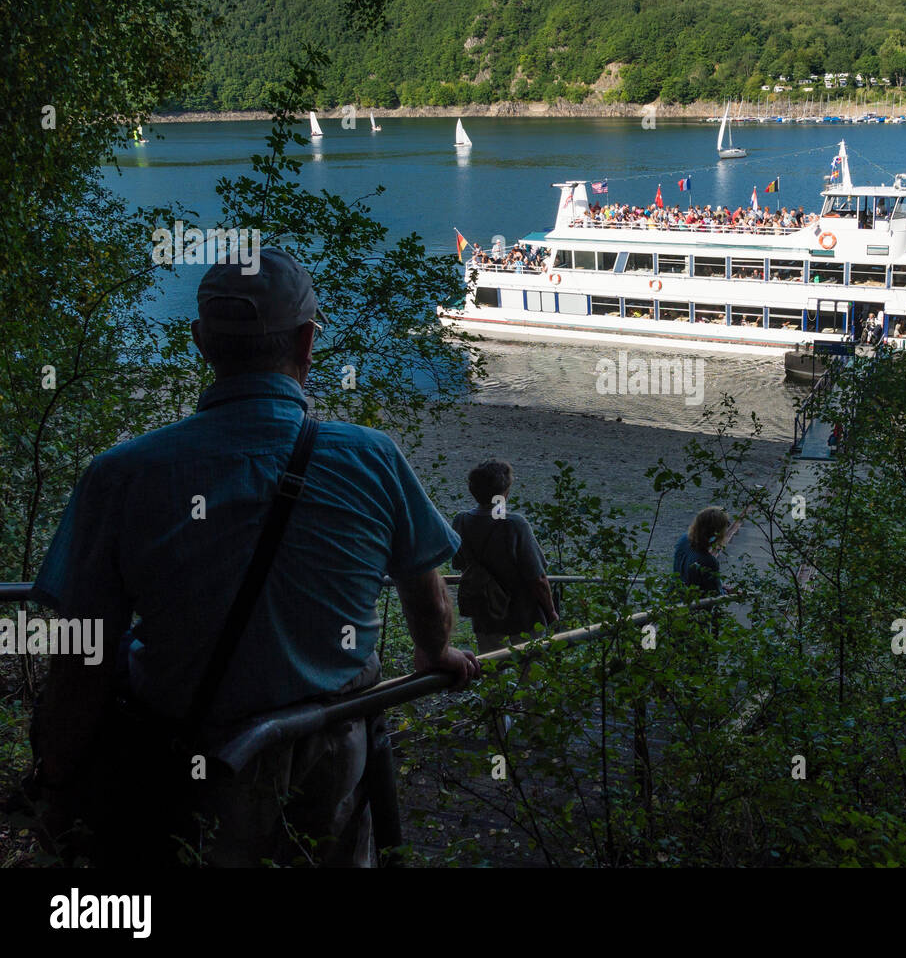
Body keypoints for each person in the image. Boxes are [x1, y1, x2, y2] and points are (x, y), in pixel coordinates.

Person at [28, 248, 480, 868]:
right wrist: (436, 656)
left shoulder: (121, 475)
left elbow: (84, 656)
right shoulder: (371, 457)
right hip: (332, 740)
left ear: (200, 344)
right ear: (306, 342)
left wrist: (57, 785)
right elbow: (426, 597)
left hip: (188, 753)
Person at [451, 460, 557, 660]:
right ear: (505, 491)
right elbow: (538, 578)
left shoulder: (461, 521)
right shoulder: (515, 524)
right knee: (530, 670)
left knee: (492, 670)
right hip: (523, 612)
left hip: (485, 609)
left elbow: (459, 563)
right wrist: (551, 613)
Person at [673, 507, 730, 597]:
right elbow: (715, 594)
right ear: (717, 533)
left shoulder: (684, 540)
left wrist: (719, 585)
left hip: (674, 596)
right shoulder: (708, 561)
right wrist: (725, 591)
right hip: (692, 606)